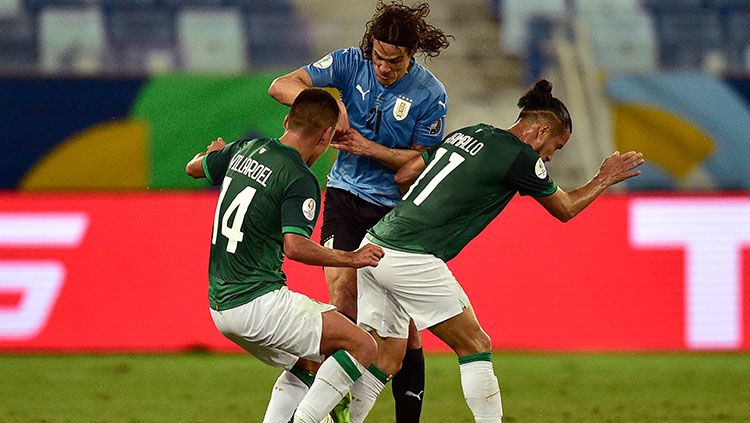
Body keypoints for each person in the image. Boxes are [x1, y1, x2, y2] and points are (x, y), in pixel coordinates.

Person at [346, 79, 645, 422]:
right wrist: (603, 179)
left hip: (375, 244)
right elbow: (565, 208)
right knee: (475, 344)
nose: (549, 156)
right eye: (556, 146)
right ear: (541, 130)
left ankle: (328, 413)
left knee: (385, 357)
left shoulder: (471, 132)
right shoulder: (521, 157)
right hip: (410, 254)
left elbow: (407, 174)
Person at [268, 2, 452, 421]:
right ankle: (327, 404)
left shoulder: (430, 95)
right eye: (379, 57)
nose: (384, 67)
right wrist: (330, 108)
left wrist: (370, 148)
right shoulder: (351, 63)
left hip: (396, 214)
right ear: (370, 48)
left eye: (395, 60)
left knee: (401, 333)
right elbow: (281, 85)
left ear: (412, 54)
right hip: (344, 199)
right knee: (343, 306)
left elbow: (420, 164)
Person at [185, 88, 385, 423]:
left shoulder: (245, 149)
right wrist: (354, 258)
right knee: (362, 345)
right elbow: (295, 246)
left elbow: (193, 169)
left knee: (309, 362)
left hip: (221, 307)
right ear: (326, 136)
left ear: (287, 120)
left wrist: (219, 155)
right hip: (258, 302)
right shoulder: (299, 178)